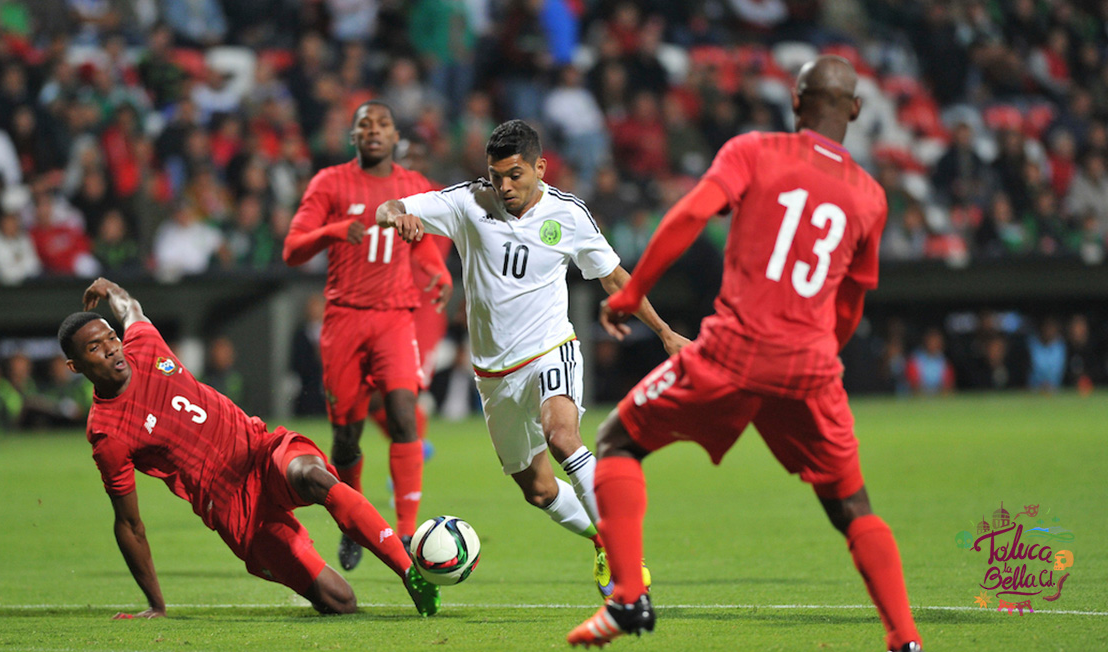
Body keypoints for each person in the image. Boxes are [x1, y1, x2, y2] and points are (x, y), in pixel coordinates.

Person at [565, 56, 923, 652]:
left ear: (795, 101)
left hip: (733, 352)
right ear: (856, 110)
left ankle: (628, 595)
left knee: (616, 442)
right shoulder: (870, 196)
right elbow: (853, 301)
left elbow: (690, 213)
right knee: (852, 507)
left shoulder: (756, 150)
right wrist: (820, 358)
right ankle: (905, 639)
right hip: (810, 368)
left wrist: (634, 291)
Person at [377, 119, 686, 598]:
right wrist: (397, 216)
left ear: (540, 168)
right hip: (493, 375)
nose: (504, 186)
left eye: (516, 175)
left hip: (550, 351)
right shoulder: (468, 202)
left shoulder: (570, 216)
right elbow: (387, 206)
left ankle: (626, 559)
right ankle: (602, 539)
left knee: (563, 437)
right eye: (497, 175)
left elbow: (614, 277)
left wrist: (665, 333)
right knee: (538, 490)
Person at [59, 278, 439, 618]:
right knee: (340, 602)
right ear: (75, 366)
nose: (111, 349)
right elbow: (129, 524)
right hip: (233, 509)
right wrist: (156, 603)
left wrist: (112, 290)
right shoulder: (108, 434)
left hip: (260, 450)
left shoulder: (143, 344)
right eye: (95, 347)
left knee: (310, 475)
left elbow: (132, 310)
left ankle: (408, 571)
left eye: (111, 337)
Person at [283, 100, 451, 571]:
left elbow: (420, 243)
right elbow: (293, 248)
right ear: (352, 136)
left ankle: (405, 533)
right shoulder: (329, 183)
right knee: (347, 439)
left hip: (396, 317)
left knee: (403, 414)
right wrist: (337, 230)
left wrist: (438, 272)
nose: (374, 131)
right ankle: (354, 522)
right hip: (344, 320)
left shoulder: (413, 186)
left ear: (396, 136)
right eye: (365, 124)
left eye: (383, 124)